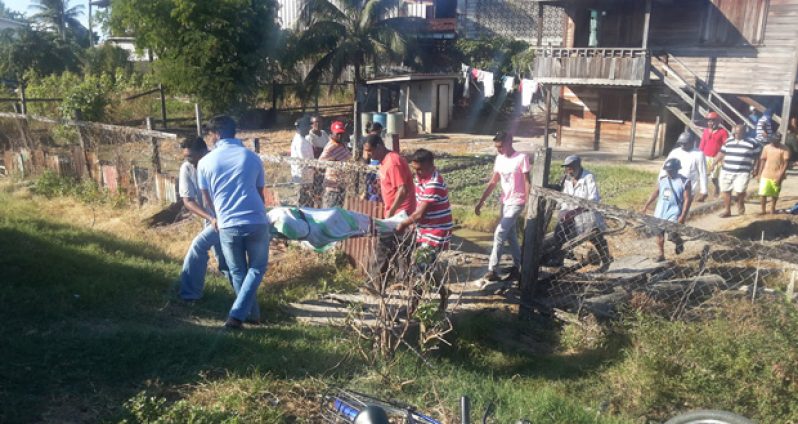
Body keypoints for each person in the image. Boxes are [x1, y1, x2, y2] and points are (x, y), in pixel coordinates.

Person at [198, 115, 270, 330]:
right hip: (256, 220)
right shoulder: (252, 157)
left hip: (227, 223)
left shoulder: (205, 162)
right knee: (256, 269)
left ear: (216, 135)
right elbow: (260, 193)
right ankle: (248, 315)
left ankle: (240, 316)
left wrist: (216, 216)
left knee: (238, 271)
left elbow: (205, 198)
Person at [396, 148, 453, 311]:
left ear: (431, 165)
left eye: (420, 169)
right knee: (427, 267)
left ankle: (411, 309)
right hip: (425, 229)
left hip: (437, 231)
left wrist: (403, 224)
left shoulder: (434, 183)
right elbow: (416, 203)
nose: (417, 173)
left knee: (419, 268)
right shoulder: (420, 178)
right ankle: (443, 292)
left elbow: (420, 213)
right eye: (415, 169)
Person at [177, 137, 233, 301]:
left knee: (198, 248)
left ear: (204, 152)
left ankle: (189, 295)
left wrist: (218, 217)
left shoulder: (217, 163)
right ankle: (245, 300)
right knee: (224, 259)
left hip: (228, 217)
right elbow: (188, 200)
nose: (190, 161)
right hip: (212, 220)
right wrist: (210, 217)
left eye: (192, 157)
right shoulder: (187, 168)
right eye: (187, 157)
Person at [363, 134, 416, 290]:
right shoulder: (385, 162)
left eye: (370, 151)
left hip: (400, 214)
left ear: (379, 146)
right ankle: (402, 282)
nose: (368, 155)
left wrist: (391, 212)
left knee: (382, 248)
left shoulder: (393, 162)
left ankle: (374, 285)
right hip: (397, 213)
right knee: (402, 251)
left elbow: (402, 189)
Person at [475, 132, 530, 282]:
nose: (498, 150)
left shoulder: (521, 158)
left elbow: (527, 181)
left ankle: (492, 269)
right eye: (496, 147)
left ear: (509, 142)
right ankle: (520, 268)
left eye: (501, 146)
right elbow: (493, 182)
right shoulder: (499, 159)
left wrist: (528, 201)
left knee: (499, 233)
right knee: (511, 236)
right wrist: (481, 202)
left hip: (517, 201)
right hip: (505, 202)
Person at [551, 155, 613, 271]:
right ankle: (558, 261)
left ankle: (606, 260)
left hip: (588, 213)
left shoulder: (588, 177)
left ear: (577, 166)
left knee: (596, 237)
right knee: (559, 232)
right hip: (571, 214)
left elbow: (593, 199)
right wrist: (564, 211)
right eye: (566, 168)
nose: (568, 170)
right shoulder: (567, 179)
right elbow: (565, 198)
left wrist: (575, 211)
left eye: (570, 168)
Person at [642, 158, 692, 263]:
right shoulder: (663, 179)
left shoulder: (684, 181)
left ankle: (678, 241)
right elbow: (655, 192)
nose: (669, 172)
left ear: (677, 169)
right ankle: (661, 254)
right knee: (659, 235)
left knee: (672, 236)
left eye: (671, 170)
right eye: (667, 170)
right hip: (660, 212)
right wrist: (646, 205)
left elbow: (687, 199)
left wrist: (683, 215)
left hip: (674, 213)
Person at [712, 124, 762, 217]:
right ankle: (727, 210)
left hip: (742, 172)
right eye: (735, 133)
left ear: (744, 132)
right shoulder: (728, 141)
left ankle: (741, 202)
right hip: (726, 170)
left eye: (738, 133)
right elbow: (722, 152)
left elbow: (758, 157)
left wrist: (756, 169)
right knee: (725, 190)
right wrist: (714, 163)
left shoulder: (753, 142)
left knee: (740, 191)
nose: (736, 135)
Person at [658, 132, 708, 202]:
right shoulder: (675, 152)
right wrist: (660, 180)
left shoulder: (698, 154)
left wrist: (704, 190)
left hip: (688, 188)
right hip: (672, 185)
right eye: (681, 143)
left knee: (682, 209)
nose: (682, 145)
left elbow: (703, 173)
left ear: (691, 142)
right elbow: (665, 167)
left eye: (685, 143)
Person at [755, 131, 790, 214]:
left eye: (777, 140)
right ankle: (763, 210)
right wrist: (759, 173)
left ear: (779, 140)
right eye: (773, 140)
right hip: (766, 173)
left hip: (777, 174)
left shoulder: (785, 149)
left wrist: (780, 176)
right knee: (763, 193)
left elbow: (785, 164)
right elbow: (763, 160)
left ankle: (772, 209)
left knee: (775, 194)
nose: (774, 142)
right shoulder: (766, 148)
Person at [319, 121, 352, 208]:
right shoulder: (331, 146)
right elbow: (320, 162)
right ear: (332, 133)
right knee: (329, 212)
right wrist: (332, 160)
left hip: (342, 185)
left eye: (341, 133)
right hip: (332, 187)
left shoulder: (342, 144)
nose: (339, 136)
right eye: (337, 134)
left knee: (339, 213)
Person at [698, 111, 728, 200]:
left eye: (712, 121)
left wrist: (723, 158)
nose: (710, 123)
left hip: (716, 158)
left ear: (717, 121)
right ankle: (703, 193)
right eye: (709, 121)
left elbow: (725, 145)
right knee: (704, 175)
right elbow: (702, 144)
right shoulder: (706, 131)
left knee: (714, 177)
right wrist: (700, 154)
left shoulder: (723, 132)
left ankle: (717, 189)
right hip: (705, 157)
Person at [290, 117, 315, 207]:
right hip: (303, 178)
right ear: (302, 127)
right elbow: (306, 161)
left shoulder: (302, 139)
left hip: (306, 177)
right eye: (307, 126)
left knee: (307, 203)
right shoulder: (300, 142)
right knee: (303, 204)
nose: (309, 128)